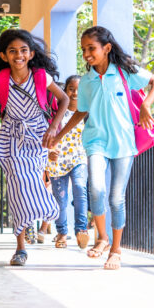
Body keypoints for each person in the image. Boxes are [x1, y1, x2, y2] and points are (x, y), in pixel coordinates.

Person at [52, 26, 154, 270]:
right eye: (83, 50)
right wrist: (59, 135)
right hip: (96, 141)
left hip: (124, 142)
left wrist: (146, 105)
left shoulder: (124, 71)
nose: (86, 54)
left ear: (107, 48)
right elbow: (81, 110)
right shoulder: (88, 80)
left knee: (116, 198)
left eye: (91, 48)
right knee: (96, 188)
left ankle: (116, 249)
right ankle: (102, 238)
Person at [0, 29, 68, 266]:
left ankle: (35, 219)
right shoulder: (1, 79)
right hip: (10, 135)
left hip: (37, 134)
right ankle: (20, 247)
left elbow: (65, 100)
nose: (19, 55)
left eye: (23, 50)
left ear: (31, 53)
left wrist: (52, 128)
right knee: (16, 184)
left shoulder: (40, 76)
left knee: (34, 180)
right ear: (4, 56)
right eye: (13, 51)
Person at [46, 75, 89, 250]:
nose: (75, 93)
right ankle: (62, 232)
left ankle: (81, 230)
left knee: (80, 188)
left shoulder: (87, 112)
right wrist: (49, 152)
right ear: (64, 91)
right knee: (61, 200)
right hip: (57, 163)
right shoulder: (55, 113)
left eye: (79, 89)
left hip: (78, 158)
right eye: (71, 89)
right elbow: (45, 134)